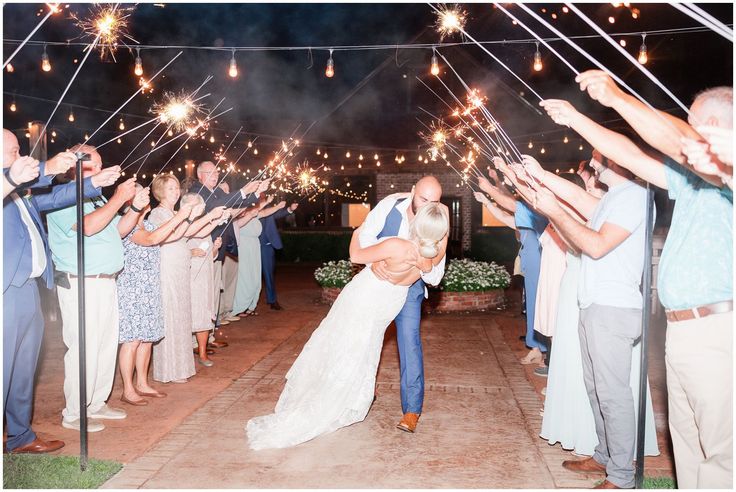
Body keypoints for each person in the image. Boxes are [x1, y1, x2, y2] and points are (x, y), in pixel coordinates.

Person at [543, 72, 733, 489]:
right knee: (689, 451)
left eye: (696, 125)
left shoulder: (731, 176)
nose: (687, 138)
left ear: (717, 130)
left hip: (717, 329)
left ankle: (621, 472)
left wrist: (615, 97)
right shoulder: (693, 183)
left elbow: (672, 141)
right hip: (681, 330)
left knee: (723, 455)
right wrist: (577, 117)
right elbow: (631, 156)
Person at [246, 202, 449, 449]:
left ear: (417, 223)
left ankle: (323, 400)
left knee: (336, 344)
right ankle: (347, 398)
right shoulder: (431, 256)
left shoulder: (398, 245)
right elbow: (432, 258)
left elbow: (356, 255)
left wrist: (357, 232)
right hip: (389, 303)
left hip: (365, 297)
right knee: (361, 350)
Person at [530, 150, 653, 489]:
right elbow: (576, 197)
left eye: (599, 156)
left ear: (618, 161)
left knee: (613, 395)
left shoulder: (634, 197)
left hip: (613, 309)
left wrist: (552, 208)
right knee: (596, 388)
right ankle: (604, 455)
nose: (593, 162)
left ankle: (622, 477)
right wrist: (537, 173)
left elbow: (596, 246)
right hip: (595, 306)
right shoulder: (615, 197)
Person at [3, 130, 108, 452]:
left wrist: (93, 183)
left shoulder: (20, 193)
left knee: (23, 369)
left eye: (19, 149)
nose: (19, 156)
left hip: (29, 289)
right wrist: (44, 169)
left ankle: (19, 435)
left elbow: (54, 198)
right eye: (11, 151)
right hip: (4, 291)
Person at [46, 144, 144, 433]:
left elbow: (117, 229)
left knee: (104, 346)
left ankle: (97, 402)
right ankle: (75, 412)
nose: (101, 171)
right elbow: (87, 227)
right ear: (73, 167)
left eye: (101, 165)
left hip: (106, 280)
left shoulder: (95, 197)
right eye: (95, 166)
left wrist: (135, 207)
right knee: (84, 348)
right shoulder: (62, 198)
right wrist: (118, 198)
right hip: (81, 283)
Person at [357, 176, 449, 433]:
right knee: (365, 340)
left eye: (436, 201)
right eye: (423, 199)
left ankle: (411, 410)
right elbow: (365, 236)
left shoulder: (439, 218)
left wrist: (424, 265)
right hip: (377, 284)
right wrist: (372, 262)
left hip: (409, 290)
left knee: (409, 342)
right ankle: (361, 393)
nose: (430, 205)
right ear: (412, 192)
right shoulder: (389, 205)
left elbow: (435, 275)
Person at [117, 185, 194, 405]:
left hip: (150, 287)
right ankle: (128, 389)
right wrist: (179, 215)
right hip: (133, 288)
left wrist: (188, 218)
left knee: (148, 339)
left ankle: (142, 383)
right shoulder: (127, 226)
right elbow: (151, 240)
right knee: (132, 340)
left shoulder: (149, 223)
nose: (145, 197)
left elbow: (175, 235)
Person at [149, 176, 227, 383]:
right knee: (171, 318)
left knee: (182, 318)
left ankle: (180, 367)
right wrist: (208, 216)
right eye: (171, 188)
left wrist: (211, 217)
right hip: (168, 269)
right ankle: (169, 370)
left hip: (181, 269)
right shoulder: (158, 213)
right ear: (160, 191)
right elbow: (173, 236)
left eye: (177, 188)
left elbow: (189, 230)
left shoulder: (174, 213)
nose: (176, 192)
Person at [479, 167, 549, 365]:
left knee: (540, 306)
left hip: (539, 265)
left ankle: (546, 353)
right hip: (530, 264)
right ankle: (536, 347)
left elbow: (510, 204)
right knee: (532, 306)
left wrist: (491, 188)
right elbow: (506, 217)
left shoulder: (538, 211)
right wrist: (487, 200)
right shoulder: (529, 211)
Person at [187, 161, 268, 325]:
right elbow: (217, 205)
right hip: (204, 247)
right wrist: (245, 190)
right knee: (206, 293)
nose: (215, 176)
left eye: (217, 173)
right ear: (199, 174)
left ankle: (211, 332)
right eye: (211, 173)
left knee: (214, 291)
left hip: (216, 247)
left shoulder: (215, 191)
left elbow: (231, 203)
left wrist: (256, 193)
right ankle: (206, 333)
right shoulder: (197, 192)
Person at [182, 192, 223, 367]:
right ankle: (183, 354)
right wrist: (189, 253)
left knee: (203, 314)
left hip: (204, 277)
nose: (197, 209)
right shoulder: (181, 225)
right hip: (187, 276)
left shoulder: (204, 226)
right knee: (186, 315)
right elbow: (171, 249)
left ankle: (203, 353)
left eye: (199, 205)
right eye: (193, 205)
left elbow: (209, 256)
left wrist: (214, 249)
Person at [231, 195, 277, 317]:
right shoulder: (238, 216)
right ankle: (240, 307)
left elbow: (264, 211)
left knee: (255, 277)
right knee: (244, 277)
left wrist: (275, 205)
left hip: (255, 248)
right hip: (244, 248)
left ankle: (250, 305)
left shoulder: (254, 213)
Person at [259, 201, 298, 310]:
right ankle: (249, 304)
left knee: (269, 274)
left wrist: (290, 209)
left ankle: (272, 300)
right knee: (252, 276)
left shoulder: (267, 206)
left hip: (266, 246)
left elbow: (278, 213)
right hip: (251, 246)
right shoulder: (248, 205)